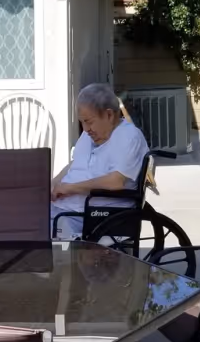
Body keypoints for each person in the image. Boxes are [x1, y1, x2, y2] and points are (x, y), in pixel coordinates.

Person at [51, 84, 150, 239]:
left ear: (109, 115)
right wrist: (54, 182)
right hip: (64, 207)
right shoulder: (89, 135)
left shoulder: (128, 137)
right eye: (82, 122)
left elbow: (115, 182)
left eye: (89, 122)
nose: (85, 129)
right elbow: (75, 163)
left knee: (32, 233)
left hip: (91, 215)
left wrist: (70, 188)